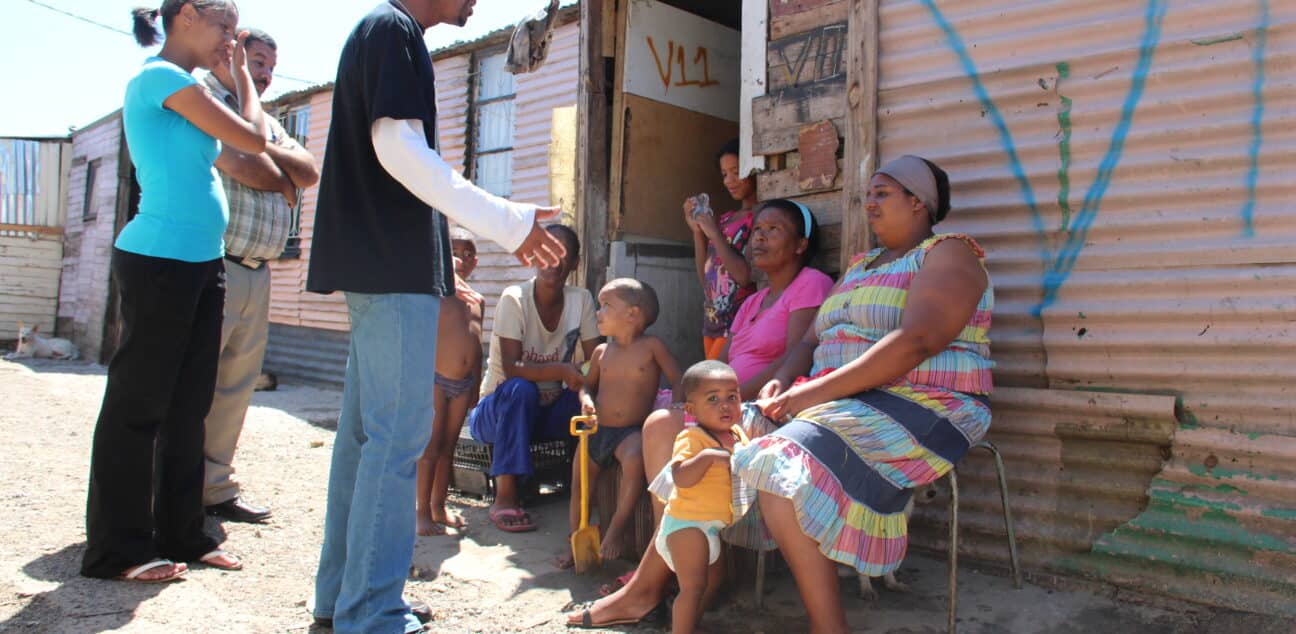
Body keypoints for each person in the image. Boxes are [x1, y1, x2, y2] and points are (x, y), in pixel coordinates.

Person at [305, 0, 568, 631]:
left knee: (366, 440)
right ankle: (371, 612)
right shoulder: (393, 30)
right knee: (397, 439)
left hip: (380, 267)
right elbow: (398, 149)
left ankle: (344, 600)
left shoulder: (387, 31)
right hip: (391, 269)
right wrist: (506, 221)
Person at [735, 155, 994, 633]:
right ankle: (666, 589)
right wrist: (784, 379)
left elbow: (917, 341)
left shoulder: (949, 254)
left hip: (923, 403)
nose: (869, 203)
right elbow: (809, 341)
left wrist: (808, 395)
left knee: (780, 461)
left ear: (918, 203)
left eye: (882, 194)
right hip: (834, 402)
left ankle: (829, 627)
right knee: (701, 433)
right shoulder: (859, 266)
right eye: (868, 194)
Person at [565, 199, 831, 621]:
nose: (759, 238)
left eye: (773, 230)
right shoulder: (751, 302)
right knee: (662, 422)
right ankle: (686, 564)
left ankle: (655, 583)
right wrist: (693, 397)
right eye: (756, 230)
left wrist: (724, 400)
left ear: (800, 245)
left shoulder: (811, 285)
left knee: (661, 427)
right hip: (725, 405)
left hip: (764, 407)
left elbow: (795, 358)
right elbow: (716, 365)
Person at [82, 0, 268, 584]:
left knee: (190, 409)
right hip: (158, 260)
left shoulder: (193, 89)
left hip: (203, 263)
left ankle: (184, 534)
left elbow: (241, 153)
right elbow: (253, 139)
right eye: (224, 27)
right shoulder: (160, 78)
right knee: (138, 407)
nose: (230, 41)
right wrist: (242, 78)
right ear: (186, 15)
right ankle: (117, 549)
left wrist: (233, 77)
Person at [200, 27, 320, 524]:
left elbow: (308, 171)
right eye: (257, 63)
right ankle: (171, 491)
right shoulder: (204, 99)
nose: (266, 74)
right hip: (215, 264)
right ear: (232, 57)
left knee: (235, 386)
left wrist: (265, 152)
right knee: (196, 383)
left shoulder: (266, 121)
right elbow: (242, 166)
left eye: (271, 66)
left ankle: (214, 489)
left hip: (257, 270)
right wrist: (279, 178)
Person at [469, 224, 599, 534]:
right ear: (534, 258)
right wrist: (563, 371)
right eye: (545, 252)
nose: (552, 261)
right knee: (521, 389)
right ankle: (505, 496)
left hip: (544, 414)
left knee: (586, 399)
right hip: (496, 413)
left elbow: (595, 360)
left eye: (562, 254)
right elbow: (512, 367)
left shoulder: (581, 300)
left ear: (575, 263)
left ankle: (583, 489)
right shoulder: (514, 298)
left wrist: (582, 380)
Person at [563, 278, 681, 565]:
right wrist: (587, 400)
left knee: (635, 460)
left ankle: (616, 529)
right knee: (579, 482)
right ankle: (574, 541)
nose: (598, 313)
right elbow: (587, 385)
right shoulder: (602, 352)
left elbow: (679, 380)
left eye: (606, 305)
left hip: (630, 432)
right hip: (596, 429)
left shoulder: (652, 347)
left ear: (632, 314)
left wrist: (676, 412)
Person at [653, 361, 744, 634]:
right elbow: (680, 477)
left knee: (711, 582)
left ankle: (687, 625)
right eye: (713, 399)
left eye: (732, 397)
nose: (725, 405)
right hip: (686, 524)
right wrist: (706, 458)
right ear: (691, 410)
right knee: (692, 587)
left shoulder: (737, 434)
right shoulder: (692, 438)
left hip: (713, 526)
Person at [416, 228, 484, 536]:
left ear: (475, 262)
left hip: (463, 385)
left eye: (468, 254)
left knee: (449, 447)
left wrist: (476, 384)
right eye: (454, 253)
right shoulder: (437, 293)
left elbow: (477, 344)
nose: (461, 259)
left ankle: (438, 506)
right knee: (430, 447)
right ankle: (421, 513)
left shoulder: (478, 300)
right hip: (436, 380)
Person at [685, 139, 756, 360]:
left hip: (736, 324)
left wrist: (714, 234)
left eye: (736, 172)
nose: (728, 181)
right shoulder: (725, 220)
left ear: (754, 169)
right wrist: (697, 231)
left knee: (715, 378)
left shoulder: (761, 217)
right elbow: (705, 279)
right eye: (725, 174)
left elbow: (745, 277)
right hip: (711, 324)